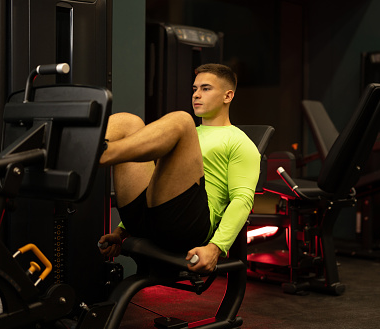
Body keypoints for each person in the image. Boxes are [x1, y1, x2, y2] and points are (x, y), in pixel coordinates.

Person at [98, 63, 260, 273]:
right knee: (128, 122)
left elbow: (242, 199)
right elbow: (158, 178)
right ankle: (84, 150)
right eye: (195, 89)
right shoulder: (187, 135)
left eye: (206, 88)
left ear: (227, 96)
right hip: (148, 218)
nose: (196, 95)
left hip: (188, 228)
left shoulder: (240, 142)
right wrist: (121, 232)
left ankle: (100, 153)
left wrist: (216, 247)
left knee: (182, 121)